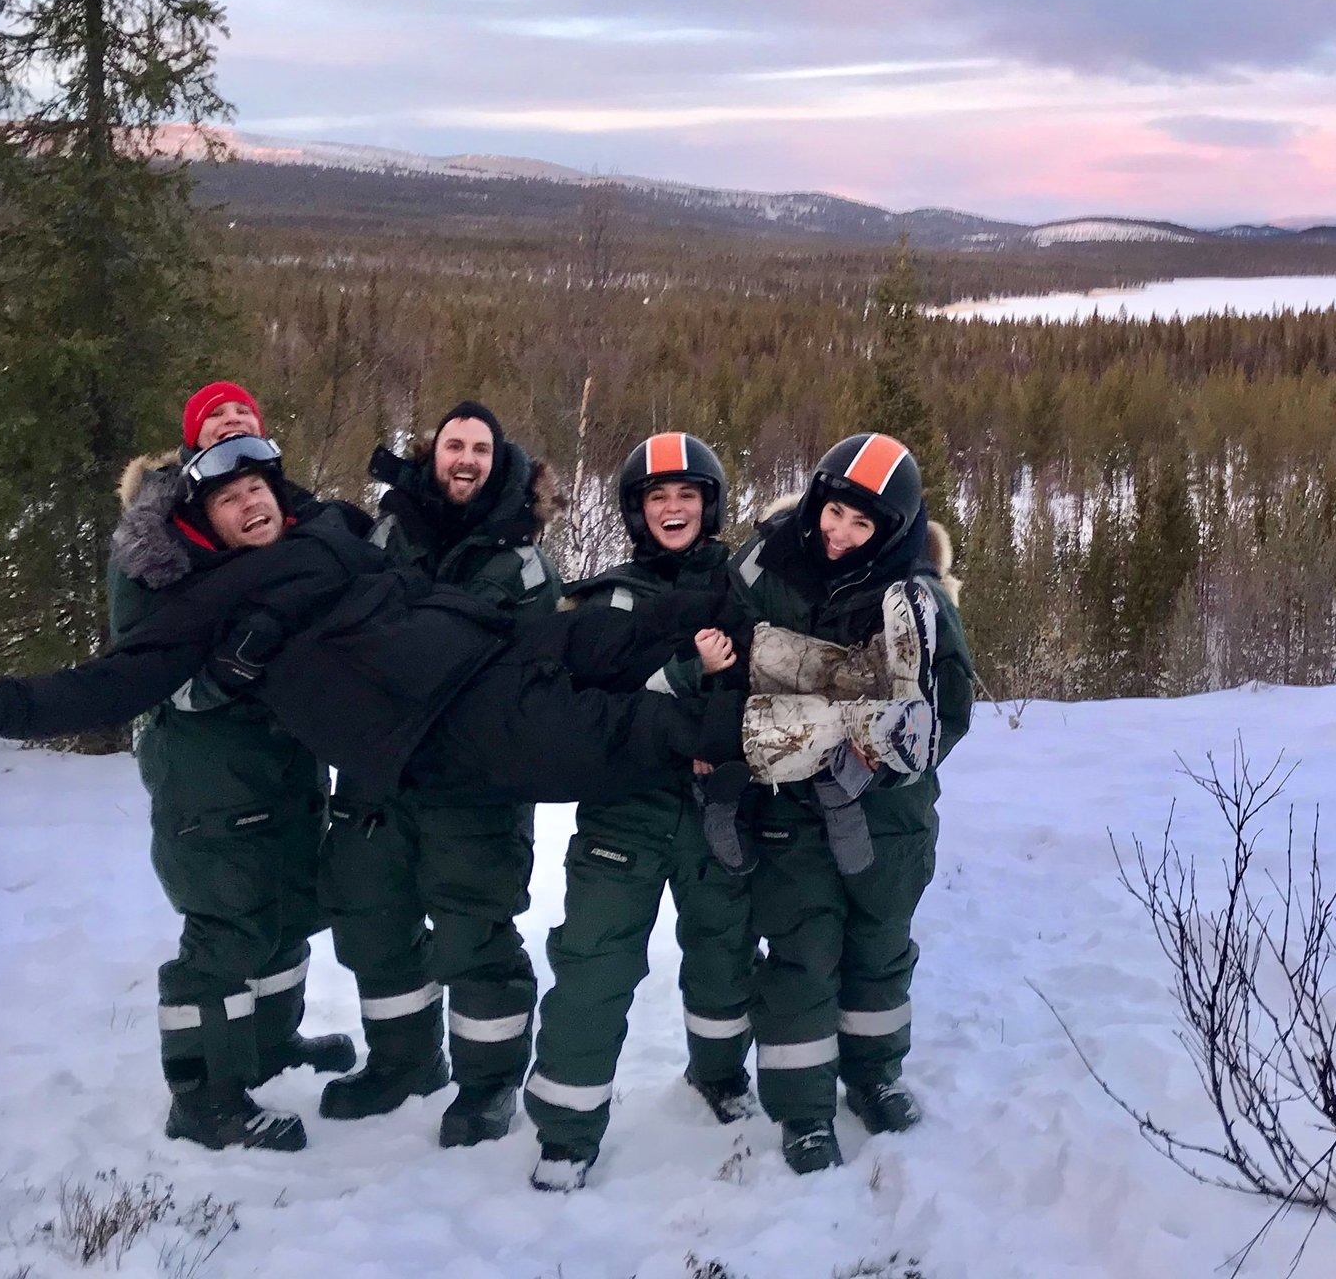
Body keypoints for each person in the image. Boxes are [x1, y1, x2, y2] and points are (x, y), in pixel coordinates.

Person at [0, 439, 750, 1152]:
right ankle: (769, 739)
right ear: (205, 524)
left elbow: (427, 522)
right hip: (437, 739)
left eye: (261, 485)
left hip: (490, 649)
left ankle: (792, 617)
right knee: (626, 744)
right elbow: (98, 688)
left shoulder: (333, 531)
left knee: (627, 630)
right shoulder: (210, 607)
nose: (253, 500)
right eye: (230, 497)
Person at [719, 432, 974, 1175]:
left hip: (890, 816)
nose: (840, 534)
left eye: (862, 525)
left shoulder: (919, 597)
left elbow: (946, 708)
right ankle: (802, 1110)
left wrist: (886, 757)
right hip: (789, 806)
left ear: (891, 530)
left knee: (879, 947)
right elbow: (725, 659)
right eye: (834, 513)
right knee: (799, 953)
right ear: (816, 501)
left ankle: (873, 1074)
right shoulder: (767, 564)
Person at [111, 382, 354, 1151]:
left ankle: (268, 1046)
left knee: (285, 913)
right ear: (191, 442)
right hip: (208, 769)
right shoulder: (155, 538)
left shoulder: (281, 514)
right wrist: (216, 680)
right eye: (214, 419)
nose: (230, 423)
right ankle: (204, 1096)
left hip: (286, 761)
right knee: (226, 926)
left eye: (242, 416)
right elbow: (139, 663)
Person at [321, 403, 563, 1148]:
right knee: (373, 921)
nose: (465, 459)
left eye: (480, 449)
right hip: (377, 774)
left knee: (474, 935)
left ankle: (488, 1084)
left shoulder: (521, 562)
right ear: (432, 456)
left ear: (499, 463)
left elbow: (519, 670)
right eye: (453, 445)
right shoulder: (388, 534)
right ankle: (403, 1061)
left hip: (474, 783)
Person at [523, 433, 757, 1193]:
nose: (673, 508)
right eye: (657, 497)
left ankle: (720, 1076)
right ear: (636, 510)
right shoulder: (605, 597)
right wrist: (684, 677)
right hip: (624, 812)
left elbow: (769, 685)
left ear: (709, 504)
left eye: (687, 494)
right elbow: (585, 701)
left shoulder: (744, 586)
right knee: (593, 965)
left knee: (725, 955)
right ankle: (565, 1131)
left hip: (717, 808)